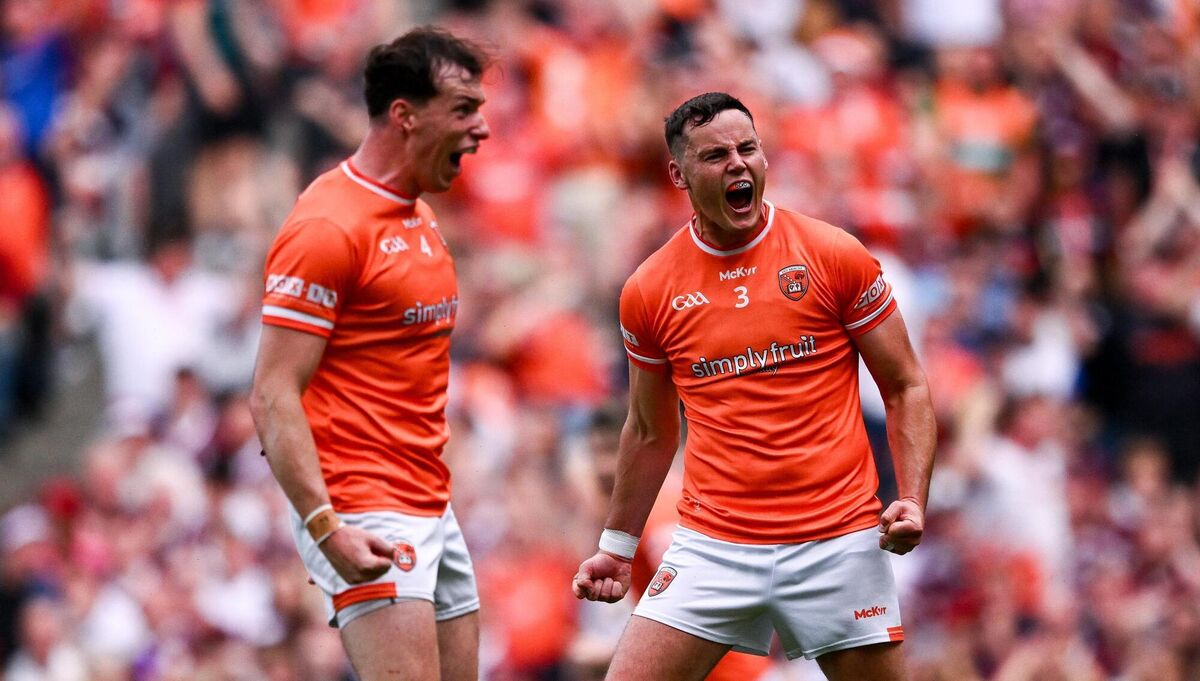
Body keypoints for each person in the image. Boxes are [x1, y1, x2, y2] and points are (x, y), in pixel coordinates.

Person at [571, 92, 936, 681]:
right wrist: (616, 546)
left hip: (836, 540)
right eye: (716, 155)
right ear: (678, 175)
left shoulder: (832, 254)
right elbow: (650, 430)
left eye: (748, 148)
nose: (737, 163)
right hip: (715, 545)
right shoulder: (650, 289)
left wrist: (913, 498)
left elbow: (905, 386)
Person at [249, 27, 490, 681]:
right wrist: (327, 527)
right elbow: (271, 393)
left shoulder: (420, 216)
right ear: (405, 115)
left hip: (429, 499)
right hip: (365, 504)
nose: (482, 128)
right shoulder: (327, 227)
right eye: (464, 109)